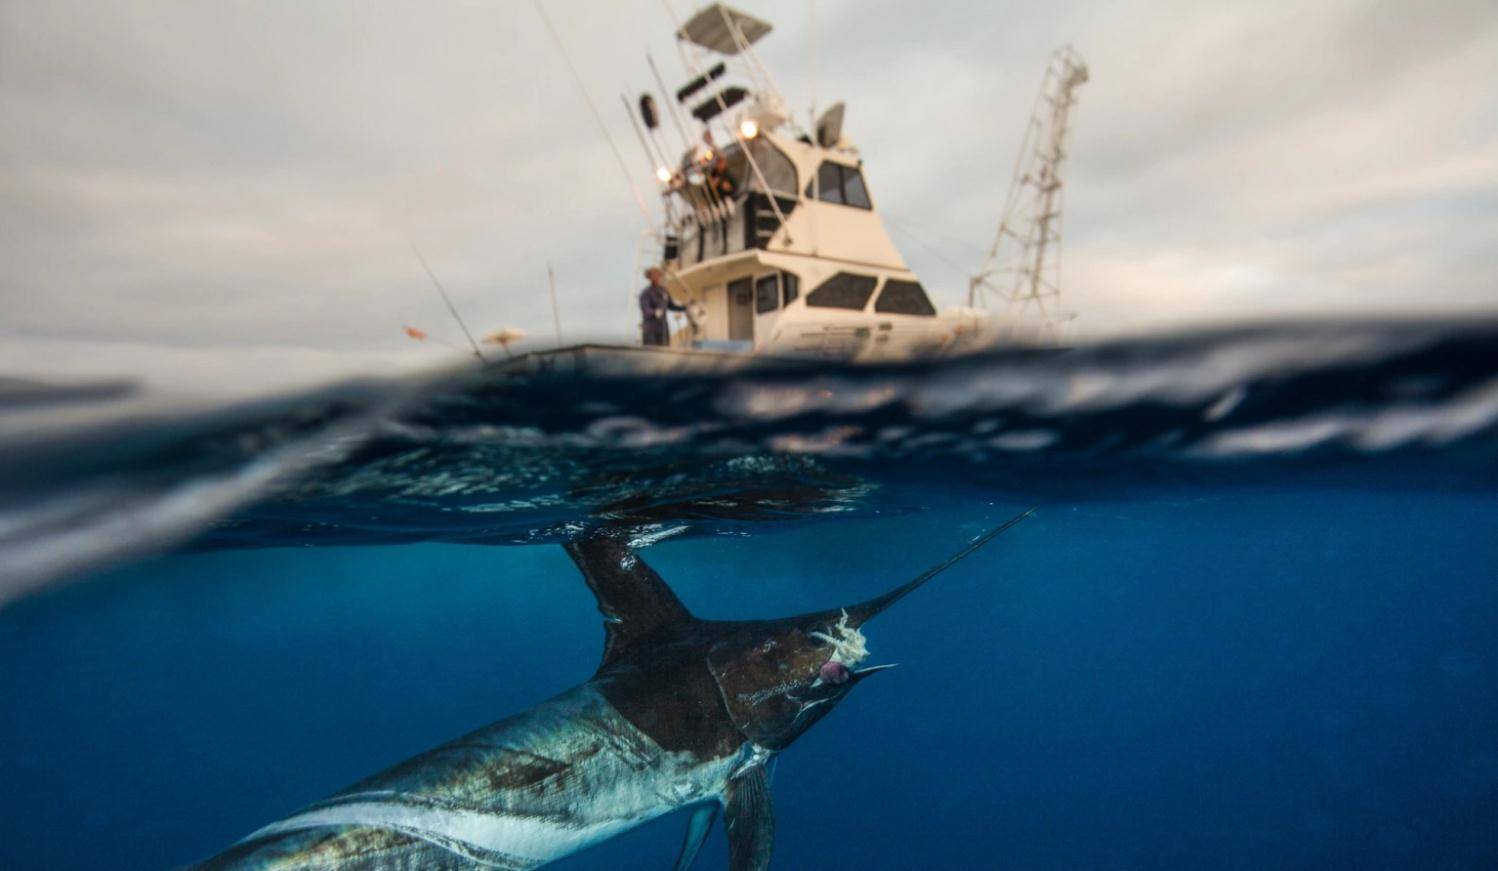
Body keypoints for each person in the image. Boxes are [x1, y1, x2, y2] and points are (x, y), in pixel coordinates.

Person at [638, 267, 685, 347]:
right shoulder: (646, 293)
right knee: (651, 351)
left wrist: (685, 307)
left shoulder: (664, 291)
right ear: (650, 278)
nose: (658, 277)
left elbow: (671, 305)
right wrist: (655, 313)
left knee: (664, 348)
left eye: (659, 275)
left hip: (663, 328)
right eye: (655, 276)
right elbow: (646, 310)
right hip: (651, 329)